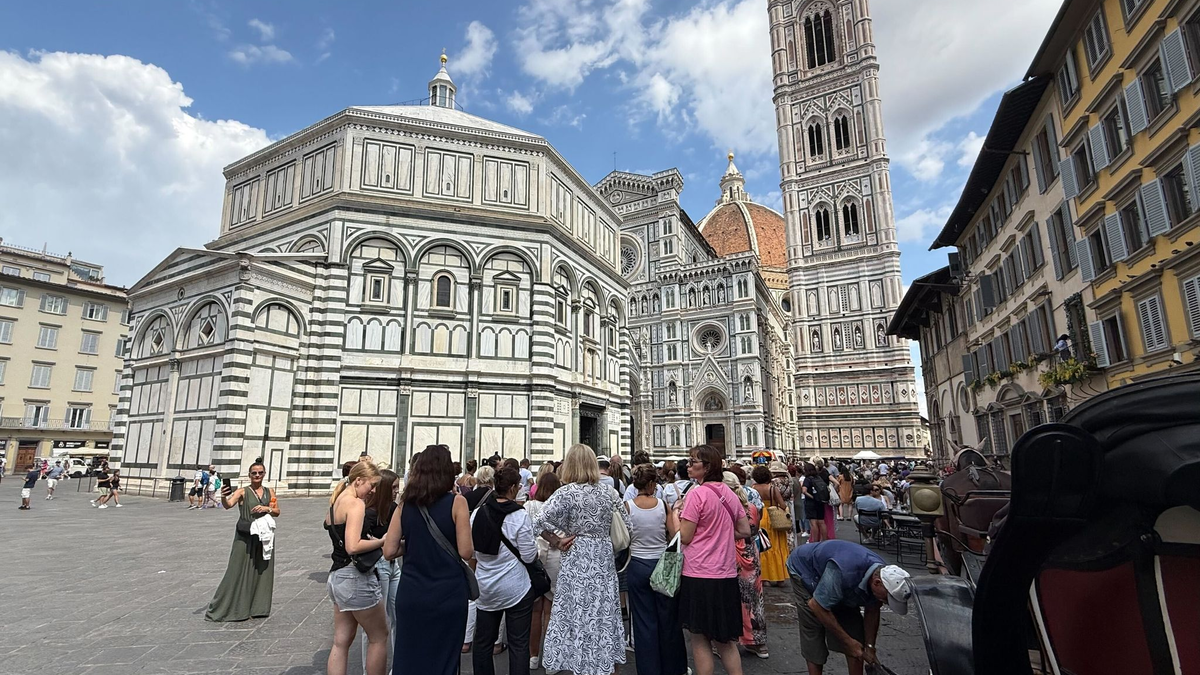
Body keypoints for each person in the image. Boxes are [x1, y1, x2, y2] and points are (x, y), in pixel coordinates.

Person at [531, 444, 630, 675]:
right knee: (602, 614)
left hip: (576, 558)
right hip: (603, 561)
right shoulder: (610, 493)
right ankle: (604, 665)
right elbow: (628, 526)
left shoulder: (566, 493)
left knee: (577, 613)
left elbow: (536, 522)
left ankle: (579, 664)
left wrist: (556, 540)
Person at [384, 445, 474, 675]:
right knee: (444, 658)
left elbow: (389, 550)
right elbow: (466, 551)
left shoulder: (404, 505)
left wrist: (416, 544)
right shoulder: (457, 503)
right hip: (448, 594)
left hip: (412, 593)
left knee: (410, 657)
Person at [677, 444, 752, 675]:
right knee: (726, 642)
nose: (688, 466)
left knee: (700, 640)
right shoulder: (728, 493)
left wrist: (674, 515)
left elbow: (686, 537)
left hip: (698, 574)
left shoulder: (696, 494)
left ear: (707, 467)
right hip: (726, 575)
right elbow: (745, 530)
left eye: (693, 462)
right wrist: (719, 534)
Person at [787, 541, 912, 675]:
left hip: (843, 578)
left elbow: (873, 609)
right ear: (877, 583)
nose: (886, 603)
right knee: (814, 630)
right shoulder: (844, 571)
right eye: (887, 598)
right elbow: (817, 606)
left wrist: (869, 647)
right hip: (805, 568)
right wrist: (848, 642)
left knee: (856, 636)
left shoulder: (883, 574)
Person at [471, 467, 538, 675]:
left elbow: (472, 552)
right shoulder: (519, 516)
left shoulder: (477, 513)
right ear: (511, 488)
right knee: (518, 644)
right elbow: (529, 556)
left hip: (486, 587)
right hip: (515, 587)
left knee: (483, 643)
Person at [324, 460, 389, 675]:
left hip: (336, 577)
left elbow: (341, 538)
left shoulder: (335, 502)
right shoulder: (355, 504)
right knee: (379, 637)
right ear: (358, 480)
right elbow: (353, 546)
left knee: (341, 641)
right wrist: (382, 541)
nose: (373, 490)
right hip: (354, 578)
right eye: (371, 485)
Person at [625, 463, 687, 675]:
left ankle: (649, 670)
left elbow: (624, 539)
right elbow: (673, 535)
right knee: (668, 620)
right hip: (662, 566)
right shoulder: (662, 505)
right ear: (652, 484)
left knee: (643, 622)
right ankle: (673, 668)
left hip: (637, 566)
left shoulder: (627, 506)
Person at [206, 459, 279, 622]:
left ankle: (258, 608)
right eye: (254, 473)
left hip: (264, 536)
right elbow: (228, 504)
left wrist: (267, 508)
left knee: (262, 570)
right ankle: (228, 607)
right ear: (249, 475)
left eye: (260, 473)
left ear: (264, 474)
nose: (257, 475)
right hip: (245, 536)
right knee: (236, 569)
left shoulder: (270, 491)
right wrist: (224, 496)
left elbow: (277, 511)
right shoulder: (242, 492)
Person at [359, 469, 400, 672]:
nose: (396, 492)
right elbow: (357, 540)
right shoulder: (369, 513)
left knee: (398, 616)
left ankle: (398, 667)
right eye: (393, 488)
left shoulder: (394, 508)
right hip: (378, 566)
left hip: (394, 566)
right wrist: (381, 542)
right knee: (376, 624)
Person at [724, 471, 768, 660]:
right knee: (754, 599)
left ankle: (727, 642)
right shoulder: (751, 507)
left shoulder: (726, 508)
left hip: (731, 554)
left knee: (730, 598)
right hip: (751, 554)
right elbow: (754, 529)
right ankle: (758, 644)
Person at [524, 471, 563, 673]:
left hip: (535, 560)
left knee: (534, 611)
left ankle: (533, 656)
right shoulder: (560, 507)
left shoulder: (529, 506)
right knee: (550, 611)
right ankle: (550, 659)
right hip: (556, 560)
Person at [751, 465, 791, 587]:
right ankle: (779, 577)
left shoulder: (753, 488)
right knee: (777, 547)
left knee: (763, 547)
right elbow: (782, 505)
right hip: (773, 519)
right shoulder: (772, 488)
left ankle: (765, 578)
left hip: (760, 517)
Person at [802, 463, 829, 543]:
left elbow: (804, 491)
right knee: (821, 522)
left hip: (811, 503)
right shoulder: (819, 478)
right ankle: (824, 540)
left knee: (813, 523)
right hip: (820, 502)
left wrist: (812, 497)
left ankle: (815, 541)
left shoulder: (807, 479)